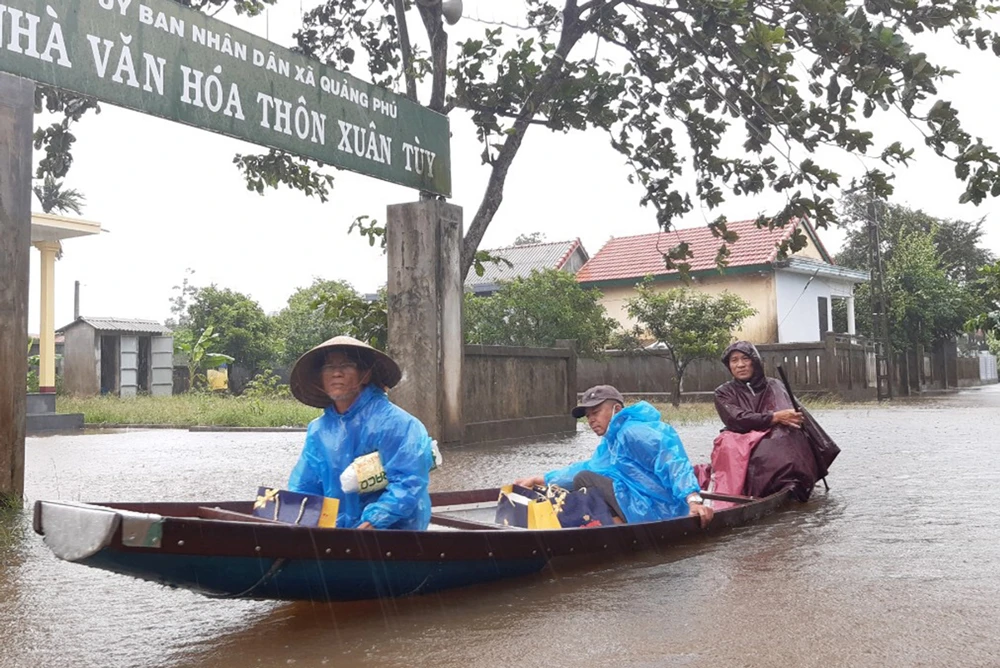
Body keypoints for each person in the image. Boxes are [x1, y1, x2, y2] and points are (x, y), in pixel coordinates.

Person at [286, 335, 433, 530]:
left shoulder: (396, 423)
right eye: (329, 367)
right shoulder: (319, 430)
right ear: (320, 378)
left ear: (365, 373)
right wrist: (296, 516)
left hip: (393, 533)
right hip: (338, 534)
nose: (336, 373)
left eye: (346, 365)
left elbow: (408, 481)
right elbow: (305, 484)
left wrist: (375, 520)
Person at [515, 385, 713, 528]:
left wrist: (694, 500)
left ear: (616, 409)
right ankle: (612, 522)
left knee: (584, 479)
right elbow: (591, 466)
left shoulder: (633, 431)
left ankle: (614, 524)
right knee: (584, 476)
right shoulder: (611, 440)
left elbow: (671, 460)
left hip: (660, 509)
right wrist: (539, 479)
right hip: (642, 503)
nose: (591, 420)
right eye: (588, 416)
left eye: (596, 412)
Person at [712, 341, 839, 502]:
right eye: (734, 360)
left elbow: (790, 414)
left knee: (785, 437)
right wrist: (773, 417)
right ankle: (758, 491)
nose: (740, 365)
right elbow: (736, 419)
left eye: (745, 359)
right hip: (741, 435)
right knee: (751, 447)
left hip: (774, 431)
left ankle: (794, 485)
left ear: (755, 361)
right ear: (729, 365)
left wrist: (780, 419)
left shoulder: (774, 385)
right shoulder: (723, 392)